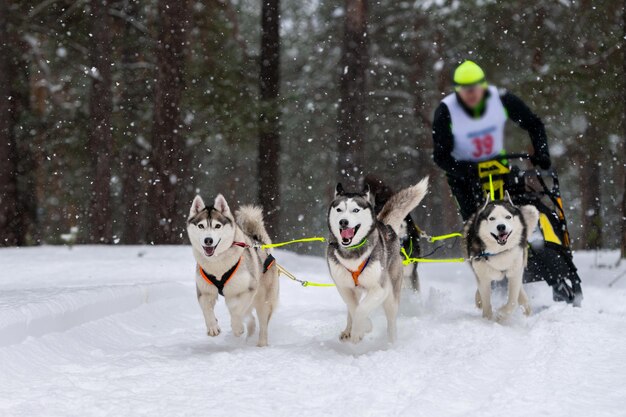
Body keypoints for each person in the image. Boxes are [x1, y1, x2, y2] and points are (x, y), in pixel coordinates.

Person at [432, 60, 552, 220]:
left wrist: (542, 152)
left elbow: (534, 124)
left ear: (483, 86)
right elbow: (441, 157)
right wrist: (465, 171)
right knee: (474, 223)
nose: (471, 94)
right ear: (456, 90)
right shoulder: (446, 110)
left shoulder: (500, 98)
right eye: (465, 90)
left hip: (498, 168)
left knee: (520, 211)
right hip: (464, 175)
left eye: (475, 88)